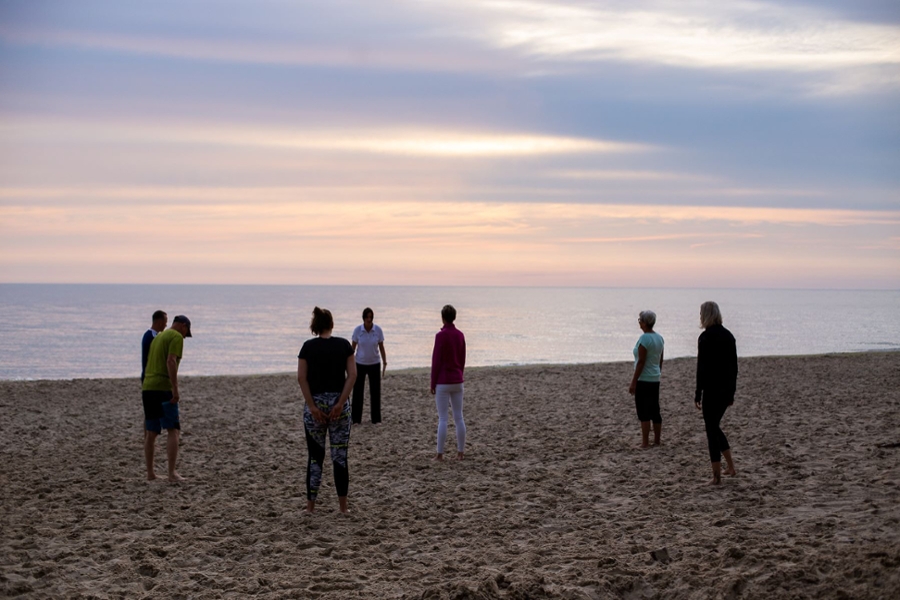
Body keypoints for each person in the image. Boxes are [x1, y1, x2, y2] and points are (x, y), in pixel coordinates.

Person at [298, 307, 357, 514]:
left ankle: (310, 507)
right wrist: (341, 402)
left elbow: (301, 378)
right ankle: (343, 508)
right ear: (331, 324)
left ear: (315, 326)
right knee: (339, 456)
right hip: (339, 406)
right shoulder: (343, 346)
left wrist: (312, 406)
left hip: (315, 405)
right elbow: (352, 375)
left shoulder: (307, 347)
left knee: (315, 458)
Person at [141, 314, 192, 482]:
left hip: (148, 387)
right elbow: (171, 361)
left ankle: (150, 474)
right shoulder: (176, 336)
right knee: (173, 430)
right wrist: (175, 388)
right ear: (183, 326)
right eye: (186, 333)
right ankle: (171, 473)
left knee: (151, 432)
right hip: (163, 388)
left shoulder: (158, 336)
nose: (185, 336)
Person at [695, 301, 738, 485]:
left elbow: (701, 369)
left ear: (706, 315)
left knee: (711, 430)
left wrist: (698, 392)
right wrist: (731, 393)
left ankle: (716, 476)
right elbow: (733, 368)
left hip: (711, 390)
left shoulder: (705, 338)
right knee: (714, 426)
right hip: (724, 390)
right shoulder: (729, 336)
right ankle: (730, 467)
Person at [430, 304, 467, 461]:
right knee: (459, 417)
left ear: (443, 317)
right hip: (457, 379)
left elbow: (436, 361)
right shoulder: (460, 335)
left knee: (443, 418)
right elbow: (462, 358)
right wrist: (460, 373)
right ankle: (460, 452)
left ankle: (440, 454)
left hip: (443, 381)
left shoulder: (440, 336)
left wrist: (433, 383)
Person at [628, 310, 665, 448]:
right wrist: (657, 373)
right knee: (655, 409)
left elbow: (641, 361)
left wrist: (633, 382)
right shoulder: (659, 338)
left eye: (640, 320)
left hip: (644, 379)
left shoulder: (644, 339)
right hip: (655, 378)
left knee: (643, 411)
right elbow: (660, 359)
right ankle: (657, 441)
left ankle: (645, 442)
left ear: (644, 322)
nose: (639, 322)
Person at [351, 307, 387, 424]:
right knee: (358, 392)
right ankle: (356, 419)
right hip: (360, 364)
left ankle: (376, 419)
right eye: (367, 317)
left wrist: (384, 361)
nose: (369, 319)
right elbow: (353, 348)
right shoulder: (358, 331)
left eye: (370, 317)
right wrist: (349, 364)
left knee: (375, 392)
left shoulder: (378, 330)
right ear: (363, 318)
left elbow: (381, 347)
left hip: (374, 364)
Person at [141, 310, 167, 383]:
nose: (166, 325)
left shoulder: (150, 335)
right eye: (165, 322)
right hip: (149, 374)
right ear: (160, 323)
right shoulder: (151, 337)